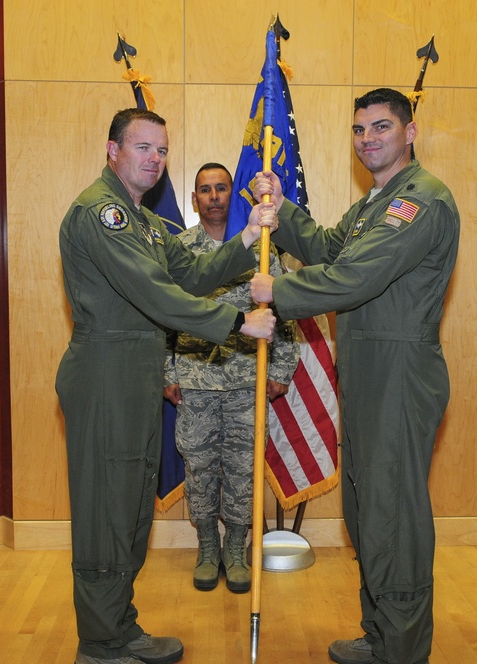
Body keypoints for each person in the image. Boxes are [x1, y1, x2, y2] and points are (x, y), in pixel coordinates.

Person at [56, 108, 277, 664]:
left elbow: (190, 271)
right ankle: (100, 644)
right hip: (105, 377)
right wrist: (235, 324)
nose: (154, 160)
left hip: (137, 376)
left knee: (131, 509)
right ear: (112, 152)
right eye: (142, 148)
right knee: (107, 511)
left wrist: (247, 236)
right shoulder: (99, 213)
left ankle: (118, 627)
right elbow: (153, 289)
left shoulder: (148, 223)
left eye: (162, 150)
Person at [250, 87, 460, 664]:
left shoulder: (420, 201)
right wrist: (282, 207)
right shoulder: (375, 202)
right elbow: (326, 248)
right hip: (367, 368)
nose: (368, 139)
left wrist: (279, 291)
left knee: (393, 513)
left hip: (400, 369)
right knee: (367, 509)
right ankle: (381, 632)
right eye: (360, 129)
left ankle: (404, 647)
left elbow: (357, 277)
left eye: (382, 127)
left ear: (410, 132)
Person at [163, 163, 299, 594]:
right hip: (195, 382)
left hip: (246, 383)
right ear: (194, 199)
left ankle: (237, 549)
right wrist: (166, 372)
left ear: (233, 195)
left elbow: (285, 311)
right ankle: (207, 547)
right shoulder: (180, 250)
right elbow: (163, 316)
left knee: (242, 468)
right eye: (205, 189)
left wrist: (281, 369)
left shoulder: (261, 248)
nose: (215, 196)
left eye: (222, 188)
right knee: (200, 468)